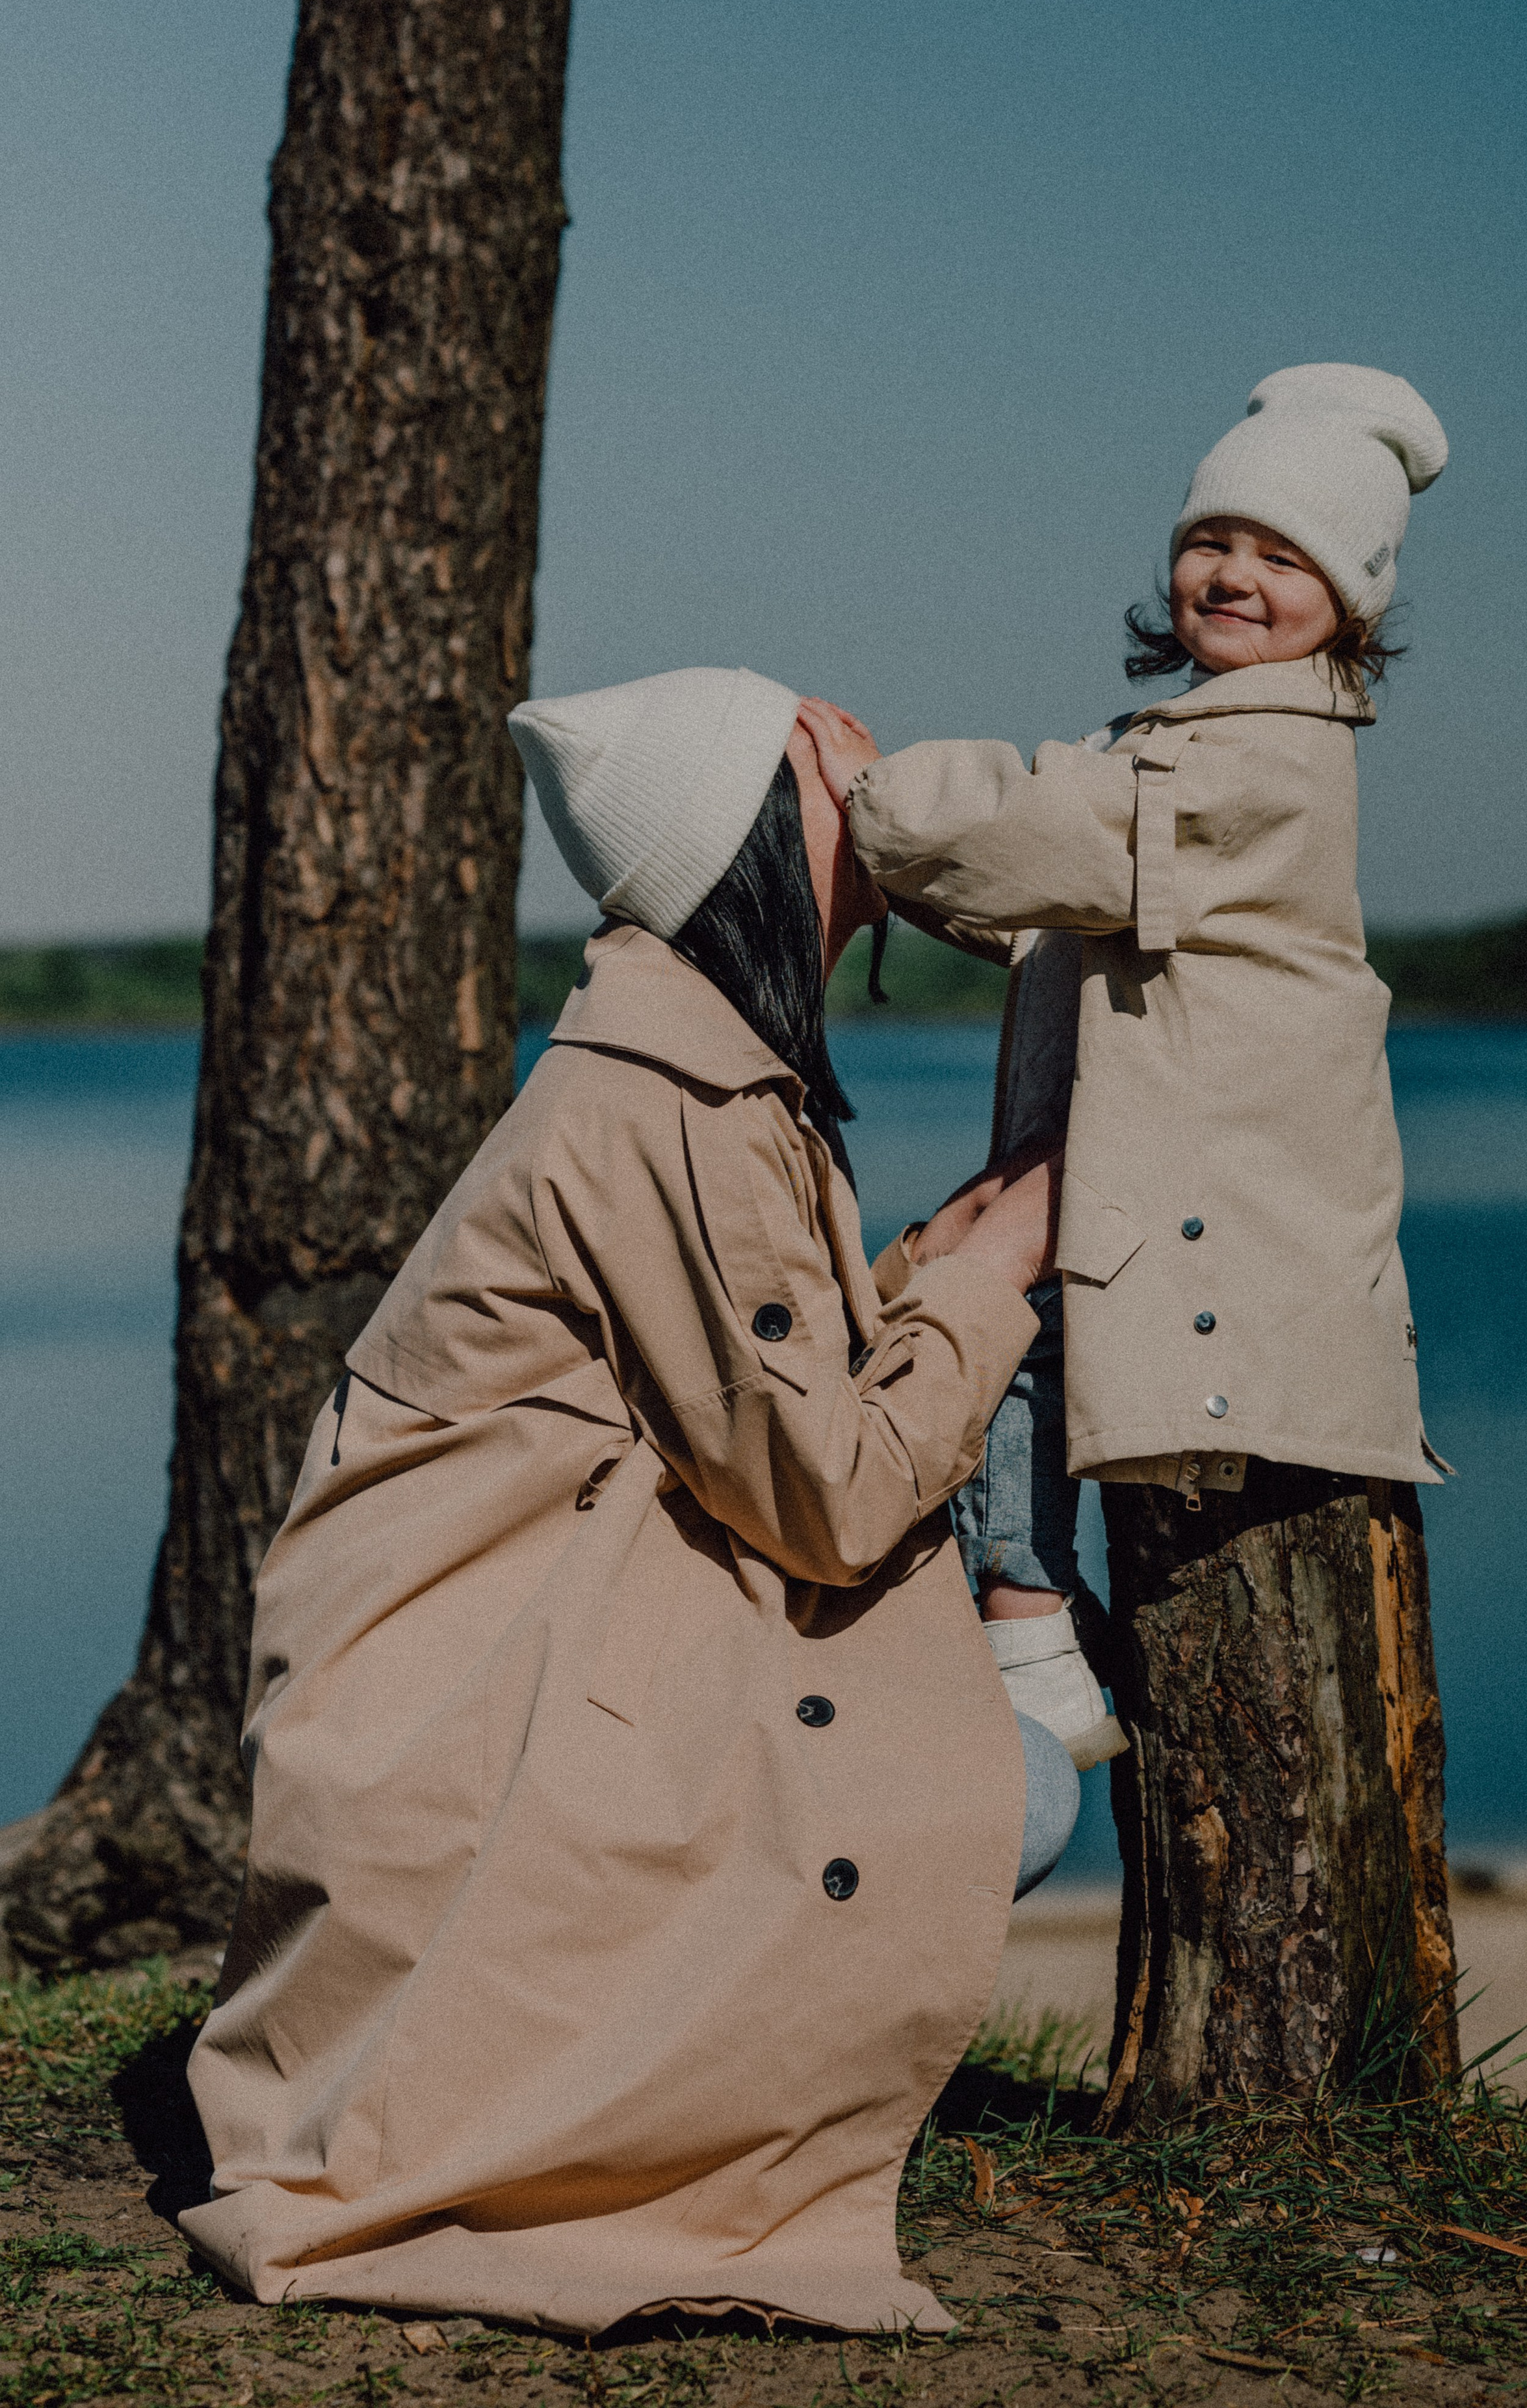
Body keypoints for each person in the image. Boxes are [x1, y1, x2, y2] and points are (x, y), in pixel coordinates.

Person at [181, 667, 1075, 2339]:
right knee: (1001, 1796)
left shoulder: (672, 1062)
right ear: (755, 833)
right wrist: (999, 1272)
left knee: (971, 1773)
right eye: (826, 753)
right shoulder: (673, 1104)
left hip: (468, 1675)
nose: (866, 759)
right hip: (477, 1719)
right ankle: (640, 2109)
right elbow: (824, 1494)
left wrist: (918, 1275)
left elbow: (731, 1389)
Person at [805, 364, 1452, 1744]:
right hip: (1148, 1155)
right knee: (1002, 1314)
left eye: (1283, 557)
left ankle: (1024, 1610)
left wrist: (860, 793)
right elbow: (1050, 898)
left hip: (1207, 1182)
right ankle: (1027, 1611)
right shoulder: (1168, 749)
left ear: (1351, 605)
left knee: (1004, 1324)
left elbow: (1038, 833)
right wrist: (926, 868)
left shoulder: (1255, 762)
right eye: (1209, 542)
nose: (1231, 574)